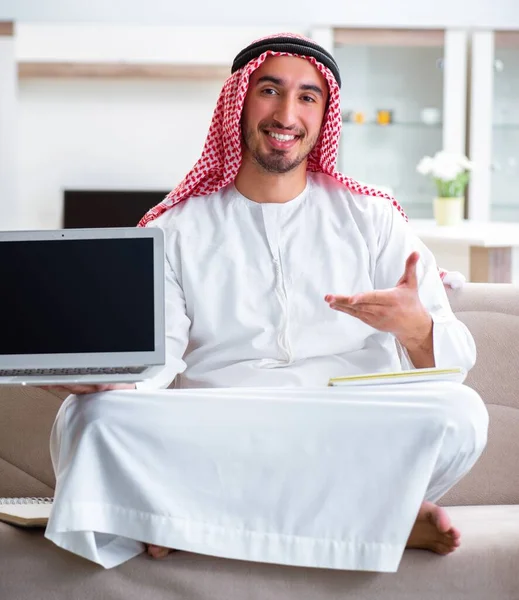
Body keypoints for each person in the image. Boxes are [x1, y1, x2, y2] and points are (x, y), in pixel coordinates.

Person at [43, 33, 488, 571]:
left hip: (344, 421)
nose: (286, 112)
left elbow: (454, 363)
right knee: (91, 417)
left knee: (460, 412)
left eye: (307, 97)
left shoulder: (372, 220)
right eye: (270, 89)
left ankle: (190, 520)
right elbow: (156, 356)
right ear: (238, 102)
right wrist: (110, 377)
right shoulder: (177, 229)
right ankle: (374, 517)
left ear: (325, 116)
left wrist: (416, 330)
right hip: (224, 424)